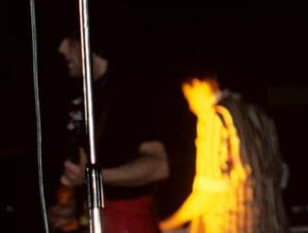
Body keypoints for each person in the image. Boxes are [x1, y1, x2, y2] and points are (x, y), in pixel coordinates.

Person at [50, 35, 170, 233]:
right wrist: (76, 209)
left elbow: (158, 166)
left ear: (89, 40)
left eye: (69, 39)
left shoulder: (131, 91)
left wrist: (91, 175)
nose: (61, 48)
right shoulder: (91, 96)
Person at [158, 76, 288, 233]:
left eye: (188, 96)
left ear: (199, 84)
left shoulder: (215, 117)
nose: (190, 107)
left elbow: (208, 192)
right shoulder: (259, 114)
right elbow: (281, 174)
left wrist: (167, 224)